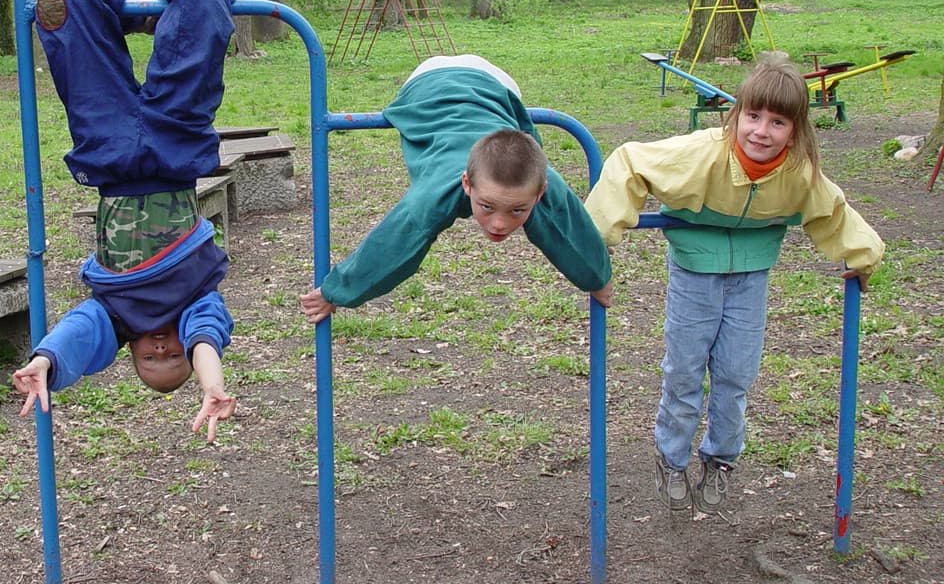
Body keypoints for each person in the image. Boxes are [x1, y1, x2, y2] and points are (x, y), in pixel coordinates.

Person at [583, 58, 883, 516]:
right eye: (753, 116)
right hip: (694, 273)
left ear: (795, 131)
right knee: (684, 371)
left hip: (750, 277)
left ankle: (721, 459)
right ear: (735, 115)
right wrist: (597, 245)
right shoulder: (701, 154)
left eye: (778, 122)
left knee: (736, 375)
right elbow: (629, 161)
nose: (761, 132)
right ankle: (672, 458)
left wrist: (861, 256)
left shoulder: (798, 171)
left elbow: (833, 211)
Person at [10, 0, 239, 443]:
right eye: (173, 355)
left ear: (129, 348)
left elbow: (76, 336)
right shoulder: (197, 305)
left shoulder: (114, 316)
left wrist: (45, 361)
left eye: (150, 359)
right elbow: (208, 340)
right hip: (176, 149)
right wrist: (212, 384)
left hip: (109, 154)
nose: (160, 349)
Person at [298, 54, 614, 325]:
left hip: (495, 83)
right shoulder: (434, 193)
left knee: (526, 155)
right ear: (466, 183)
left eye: (517, 210)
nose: (499, 224)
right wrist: (336, 292)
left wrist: (596, 276)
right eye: (487, 206)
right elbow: (393, 245)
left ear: (540, 191)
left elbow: (567, 222)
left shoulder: (545, 182)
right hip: (426, 83)